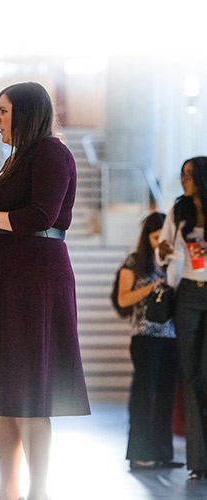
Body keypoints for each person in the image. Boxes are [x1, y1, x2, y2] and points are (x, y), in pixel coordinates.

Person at [0, 82, 90, 500]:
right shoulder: (17, 159)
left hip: (33, 280)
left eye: (4, 111)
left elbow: (41, 215)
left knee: (31, 392)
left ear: (26, 113)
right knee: (1, 392)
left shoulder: (51, 152)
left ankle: (37, 491)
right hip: (4, 278)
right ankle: (6, 490)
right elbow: (11, 219)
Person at [117, 212, 181, 471]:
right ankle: (139, 454)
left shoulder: (175, 261)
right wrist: (152, 287)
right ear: (147, 237)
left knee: (166, 397)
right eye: (155, 237)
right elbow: (123, 299)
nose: (159, 242)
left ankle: (163, 454)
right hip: (145, 337)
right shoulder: (135, 262)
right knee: (144, 396)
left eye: (163, 237)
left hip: (172, 337)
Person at [158, 156, 207, 480]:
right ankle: (198, 462)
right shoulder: (179, 211)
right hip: (188, 293)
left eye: (189, 175)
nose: (184, 180)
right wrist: (172, 253)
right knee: (191, 377)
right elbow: (163, 250)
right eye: (181, 175)